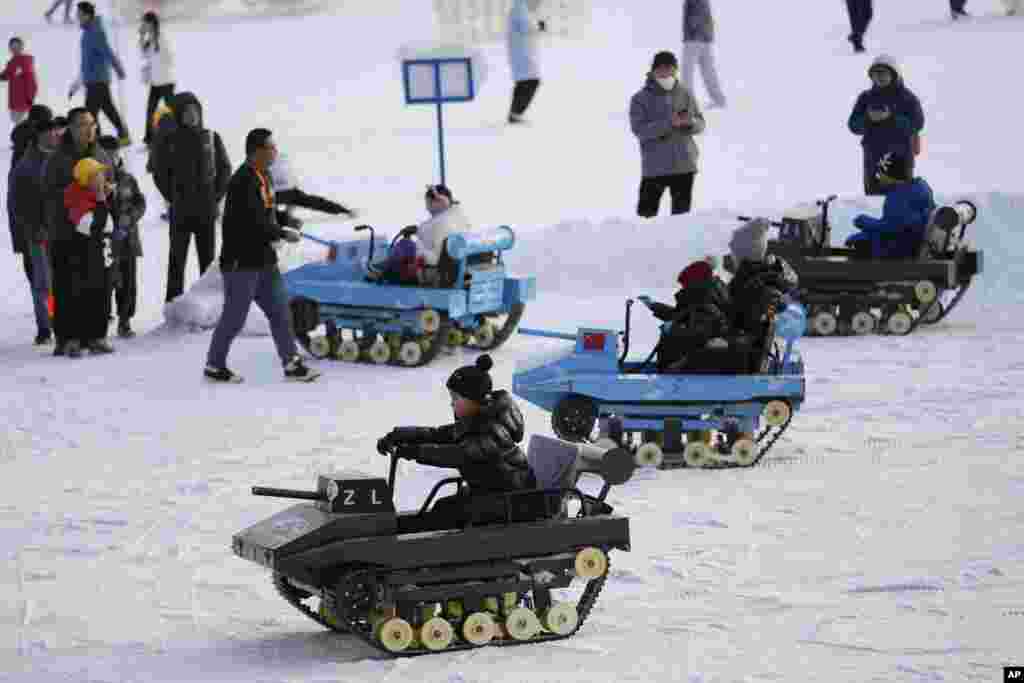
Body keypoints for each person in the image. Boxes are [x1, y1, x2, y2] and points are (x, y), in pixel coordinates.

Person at [204, 128, 319, 384]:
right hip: (241, 263)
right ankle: (214, 364)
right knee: (234, 318)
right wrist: (282, 233)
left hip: (264, 261)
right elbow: (254, 223)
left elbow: (266, 215)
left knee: (280, 312)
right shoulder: (242, 181)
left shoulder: (263, 175)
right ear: (257, 151)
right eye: (271, 146)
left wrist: (285, 222)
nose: (275, 151)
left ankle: (291, 363)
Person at [376, 354, 537, 530]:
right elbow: (437, 434)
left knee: (447, 515)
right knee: (443, 508)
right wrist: (399, 435)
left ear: (475, 400)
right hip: (492, 494)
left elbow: (460, 454)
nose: (451, 404)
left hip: (511, 503)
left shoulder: (492, 432)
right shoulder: (476, 421)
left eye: (456, 399)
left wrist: (414, 451)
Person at [44, 107, 115, 357]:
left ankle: (96, 335)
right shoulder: (58, 159)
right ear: (71, 129)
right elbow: (50, 198)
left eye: (92, 124)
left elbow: (110, 190)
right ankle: (68, 338)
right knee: (67, 287)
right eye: (83, 124)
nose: (89, 129)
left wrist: (108, 196)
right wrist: (77, 200)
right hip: (66, 235)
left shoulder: (102, 155)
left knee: (99, 287)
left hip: (96, 236)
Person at [154, 91, 231, 302]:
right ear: (179, 114)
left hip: (206, 209)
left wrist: (215, 196)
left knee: (207, 262)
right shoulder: (170, 141)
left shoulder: (211, 137)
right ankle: (172, 303)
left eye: (195, 110)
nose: (192, 115)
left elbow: (225, 169)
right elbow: (159, 173)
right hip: (180, 210)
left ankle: (208, 304)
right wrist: (173, 195)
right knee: (176, 261)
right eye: (187, 111)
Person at [629, 50, 705, 218]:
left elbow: (701, 124)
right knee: (645, 217)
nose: (666, 73)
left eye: (670, 69)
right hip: (655, 168)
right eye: (662, 69)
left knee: (681, 220)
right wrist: (669, 123)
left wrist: (690, 123)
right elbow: (640, 130)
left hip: (684, 165)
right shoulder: (639, 99)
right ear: (653, 71)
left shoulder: (686, 93)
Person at [9, 112, 60, 345]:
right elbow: (17, 202)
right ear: (39, 136)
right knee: (43, 283)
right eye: (49, 133)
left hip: (63, 230)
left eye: (55, 132)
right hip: (38, 233)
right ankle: (45, 325)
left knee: (63, 279)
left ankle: (60, 319)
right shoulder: (26, 165)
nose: (54, 135)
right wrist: (32, 227)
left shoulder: (61, 157)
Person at [62, 156, 116, 356]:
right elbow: (95, 226)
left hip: (102, 257)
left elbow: (112, 221)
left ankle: (98, 338)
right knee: (82, 299)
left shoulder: (96, 196)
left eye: (101, 174)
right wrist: (102, 199)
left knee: (102, 298)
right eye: (97, 175)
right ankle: (76, 340)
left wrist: (107, 198)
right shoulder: (77, 200)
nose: (102, 178)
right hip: (84, 260)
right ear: (87, 180)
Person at [848, 55, 924, 196]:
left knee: (898, 197)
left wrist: (891, 118)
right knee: (874, 197)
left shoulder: (907, 98)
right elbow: (853, 125)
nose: (879, 77)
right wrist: (868, 119)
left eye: (883, 73)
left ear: (893, 74)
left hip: (899, 155)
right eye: (876, 74)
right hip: (873, 154)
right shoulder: (865, 98)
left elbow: (918, 123)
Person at [98, 134, 146, 337]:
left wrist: (131, 217)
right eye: (106, 153)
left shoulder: (128, 178)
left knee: (128, 282)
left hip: (128, 239)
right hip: (107, 242)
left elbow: (140, 203)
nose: (111, 157)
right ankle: (101, 319)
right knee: (106, 282)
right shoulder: (95, 179)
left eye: (114, 152)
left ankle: (125, 320)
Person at [845, 152, 936, 260]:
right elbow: (898, 225)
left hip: (900, 253)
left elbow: (891, 230)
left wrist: (863, 222)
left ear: (890, 175)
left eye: (880, 173)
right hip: (911, 245)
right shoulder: (918, 189)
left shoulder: (899, 196)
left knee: (858, 247)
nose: (878, 178)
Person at [69, 2, 130, 146]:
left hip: (98, 80)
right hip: (92, 79)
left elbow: (107, 51)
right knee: (105, 109)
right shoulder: (88, 32)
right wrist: (77, 83)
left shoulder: (96, 32)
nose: (78, 17)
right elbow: (86, 61)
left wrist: (118, 67)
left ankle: (96, 141)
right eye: (77, 15)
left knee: (91, 113)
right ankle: (119, 136)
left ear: (88, 15)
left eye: (80, 15)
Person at [726, 218, 799, 335]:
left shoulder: (753, 281)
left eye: (735, 253)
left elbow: (764, 312)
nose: (733, 257)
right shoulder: (753, 277)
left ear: (745, 253)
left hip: (740, 346)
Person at [269, 152, 359, 218]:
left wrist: (344, 211)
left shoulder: (279, 161)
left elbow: (318, 203)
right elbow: (318, 203)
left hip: (283, 191)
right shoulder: (278, 161)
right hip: (281, 191)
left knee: (310, 201)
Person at [417, 184, 472, 286]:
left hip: (440, 274)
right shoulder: (461, 217)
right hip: (462, 269)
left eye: (427, 203)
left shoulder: (439, 224)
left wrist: (420, 251)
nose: (427, 208)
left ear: (434, 201)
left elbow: (435, 259)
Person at [506, 0, 546, 124]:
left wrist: (536, 25)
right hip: (522, 54)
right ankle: (516, 114)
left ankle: (515, 113)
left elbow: (527, 25)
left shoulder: (521, 8)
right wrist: (539, 26)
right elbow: (526, 26)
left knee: (524, 82)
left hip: (523, 54)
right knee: (532, 81)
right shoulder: (520, 8)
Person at [139, 11, 175, 146]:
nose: (144, 25)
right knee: (150, 111)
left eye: (145, 23)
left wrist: (157, 64)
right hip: (155, 83)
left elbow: (169, 57)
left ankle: (176, 136)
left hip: (166, 82)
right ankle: (149, 138)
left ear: (152, 23)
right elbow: (144, 54)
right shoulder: (151, 40)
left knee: (172, 111)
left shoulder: (162, 38)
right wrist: (142, 36)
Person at [681, 0, 726, 109]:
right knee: (708, 70)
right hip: (705, 37)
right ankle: (719, 100)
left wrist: (693, 30)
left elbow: (695, 14)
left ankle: (688, 104)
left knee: (687, 72)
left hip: (694, 38)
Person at [1, 37, 38, 133]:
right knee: (15, 120)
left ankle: (24, 142)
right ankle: (23, 141)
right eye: (12, 47)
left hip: (23, 99)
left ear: (22, 47)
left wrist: (30, 97)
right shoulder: (13, 61)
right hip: (14, 98)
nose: (14, 49)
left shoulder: (25, 61)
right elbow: (6, 75)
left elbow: (32, 81)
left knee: (21, 123)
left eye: (17, 46)